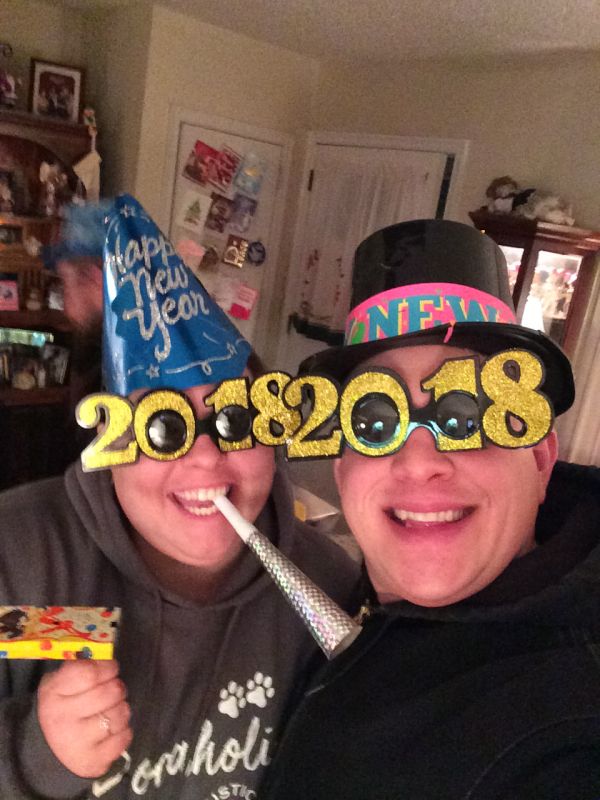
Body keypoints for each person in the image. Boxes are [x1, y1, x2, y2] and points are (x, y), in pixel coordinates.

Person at [0, 195, 359, 799]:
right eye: (163, 426)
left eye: (235, 419)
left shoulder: (326, 589)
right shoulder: (26, 565)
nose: (205, 457)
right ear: (108, 433)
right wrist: (33, 757)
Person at [260, 220, 600, 799]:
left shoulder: (570, 721)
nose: (418, 464)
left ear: (541, 460)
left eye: (465, 416)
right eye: (374, 421)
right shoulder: (336, 592)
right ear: (342, 470)